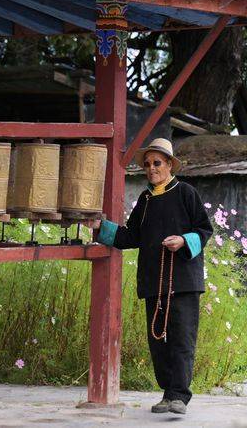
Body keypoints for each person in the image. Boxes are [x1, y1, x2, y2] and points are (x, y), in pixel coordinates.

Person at [85, 138, 213, 415]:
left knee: (181, 340)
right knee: (158, 342)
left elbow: (205, 230)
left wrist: (183, 240)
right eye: (147, 164)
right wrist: (100, 228)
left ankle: (179, 395)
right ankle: (167, 393)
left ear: (169, 164)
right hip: (154, 282)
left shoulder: (186, 193)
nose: (151, 168)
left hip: (183, 282)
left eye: (157, 163)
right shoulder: (145, 200)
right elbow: (131, 236)